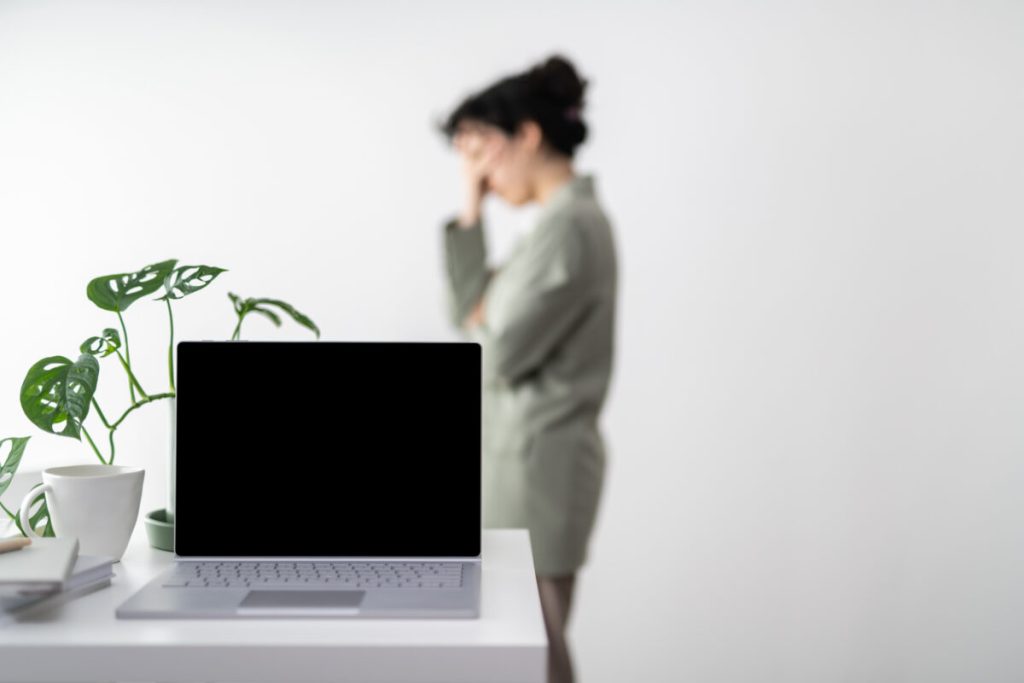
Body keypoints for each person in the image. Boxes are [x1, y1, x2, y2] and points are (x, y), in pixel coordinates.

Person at [438, 54, 617, 683]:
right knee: (524, 649)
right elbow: (469, 316)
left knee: (534, 653)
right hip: (517, 466)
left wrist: (485, 321)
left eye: (481, 147)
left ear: (529, 135)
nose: (477, 167)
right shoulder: (547, 229)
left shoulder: (570, 227)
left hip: (541, 472)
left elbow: (497, 351)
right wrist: (469, 209)